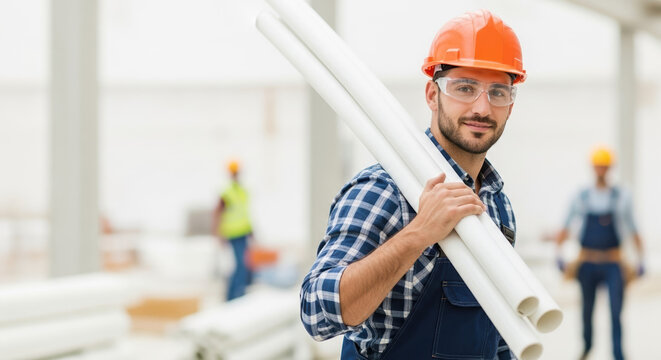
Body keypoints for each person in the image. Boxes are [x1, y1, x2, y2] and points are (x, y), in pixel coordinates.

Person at [300, 10, 525, 359]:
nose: (482, 107)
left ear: (510, 106)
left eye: (498, 92)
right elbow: (317, 313)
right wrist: (420, 232)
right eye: (465, 88)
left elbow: (499, 339)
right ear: (432, 96)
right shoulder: (383, 190)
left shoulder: (498, 204)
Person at [555, 147, 645, 360]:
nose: (601, 170)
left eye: (605, 166)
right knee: (587, 310)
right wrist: (558, 254)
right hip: (587, 262)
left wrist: (641, 259)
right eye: (598, 166)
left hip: (614, 262)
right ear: (593, 167)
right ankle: (587, 347)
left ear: (610, 168)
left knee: (616, 312)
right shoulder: (582, 196)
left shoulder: (622, 196)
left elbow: (633, 228)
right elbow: (566, 227)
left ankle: (619, 354)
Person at [213, 159, 253, 301]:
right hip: (232, 234)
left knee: (244, 266)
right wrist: (218, 234)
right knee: (239, 267)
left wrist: (251, 230)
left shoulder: (242, 191)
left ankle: (239, 295)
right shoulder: (227, 192)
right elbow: (217, 213)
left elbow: (244, 213)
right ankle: (232, 297)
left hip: (243, 233)